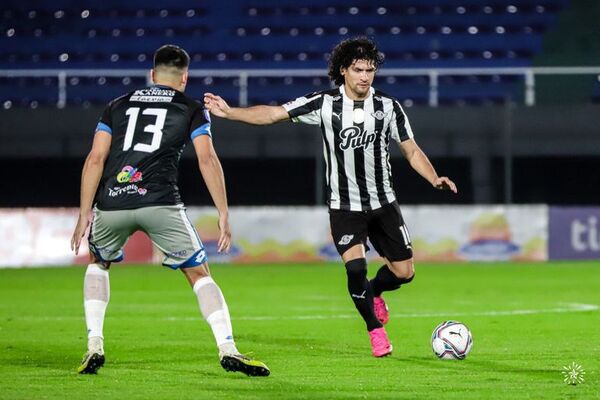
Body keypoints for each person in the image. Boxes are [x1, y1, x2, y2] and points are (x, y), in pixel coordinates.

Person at [204, 37, 457, 357]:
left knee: (405, 273)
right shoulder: (324, 104)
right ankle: (375, 331)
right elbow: (273, 114)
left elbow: (411, 149)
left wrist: (434, 177)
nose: (365, 76)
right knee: (355, 270)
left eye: (370, 70)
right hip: (344, 207)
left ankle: (376, 292)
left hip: (384, 204)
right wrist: (230, 112)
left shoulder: (388, 107)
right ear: (343, 70)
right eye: (358, 69)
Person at [70, 44, 269, 376]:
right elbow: (207, 159)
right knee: (199, 274)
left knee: (98, 263)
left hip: (113, 201)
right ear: (184, 78)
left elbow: (95, 159)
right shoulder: (191, 108)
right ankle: (227, 348)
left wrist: (83, 212)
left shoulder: (116, 106)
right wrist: (223, 211)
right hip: (160, 202)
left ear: (152, 74)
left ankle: (94, 345)